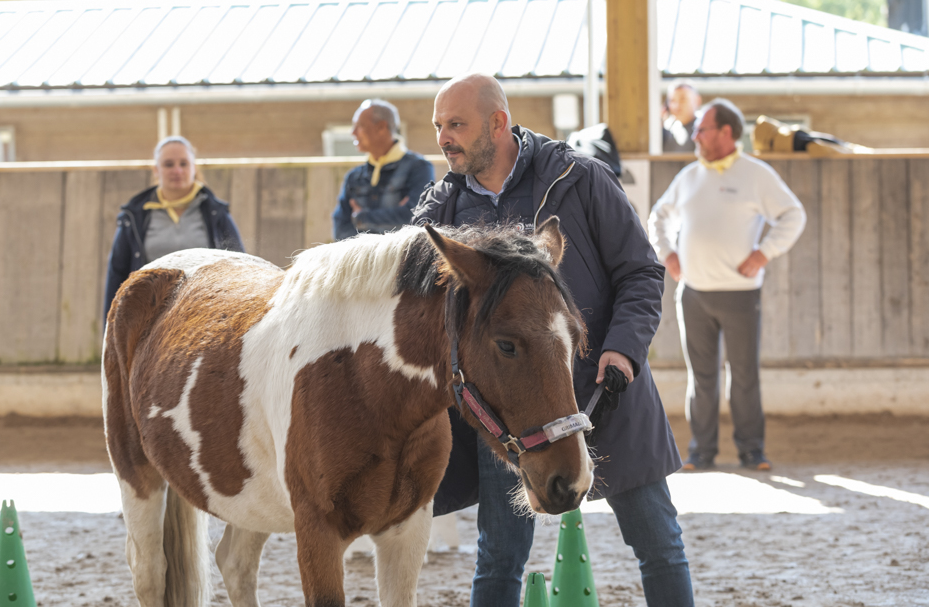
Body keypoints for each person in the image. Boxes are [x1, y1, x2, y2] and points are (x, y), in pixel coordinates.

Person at [413, 74, 693, 607]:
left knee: (658, 543)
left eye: (456, 125)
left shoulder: (579, 178)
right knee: (498, 558)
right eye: (438, 126)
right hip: (512, 409)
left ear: (497, 123)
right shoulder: (440, 213)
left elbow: (640, 272)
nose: (443, 138)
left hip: (604, 386)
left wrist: (623, 349)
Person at [648, 99, 806, 472]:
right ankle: (701, 453)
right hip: (694, 294)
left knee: (744, 376)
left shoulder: (756, 174)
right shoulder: (688, 176)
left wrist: (763, 253)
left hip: (740, 294)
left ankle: (752, 452)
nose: (695, 135)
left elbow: (792, 214)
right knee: (701, 378)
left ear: (726, 132)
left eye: (701, 128)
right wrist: (668, 253)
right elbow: (659, 216)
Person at [104, 135, 244, 318]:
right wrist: (110, 328)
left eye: (183, 164)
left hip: (206, 317)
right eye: (168, 164)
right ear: (156, 170)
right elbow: (117, 274)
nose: (177, 170)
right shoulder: (134, 216)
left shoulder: (217, 213)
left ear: (194, 168)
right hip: (148, 319)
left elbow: (240, 267)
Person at [332, 98, 434, 240]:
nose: (353, 132)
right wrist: (394, 216)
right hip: (361, 261)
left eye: (359, 126)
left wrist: (361, 217)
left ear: (381, 127)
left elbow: (415, 220)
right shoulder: (353, 177)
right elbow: (340, 230)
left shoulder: (419, 168)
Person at [662, 81, 701, 153]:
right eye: (672, 101)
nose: (677, 106)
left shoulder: (703, 129)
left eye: (683, 99)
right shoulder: (666, 129)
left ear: (697, 100)